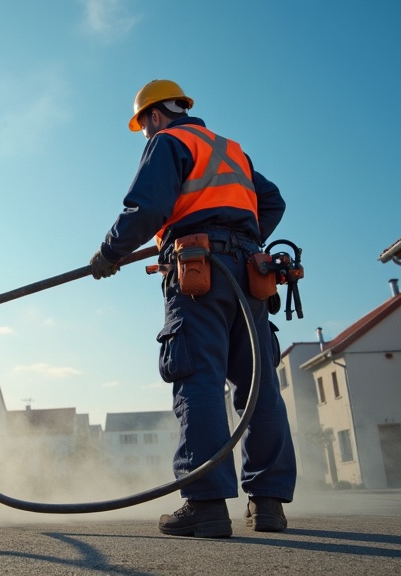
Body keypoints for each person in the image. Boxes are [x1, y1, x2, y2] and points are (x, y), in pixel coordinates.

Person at [89, 80, 296, 538]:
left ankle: (205, 505)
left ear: (154, 117)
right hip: (250, 274)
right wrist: (239, 238)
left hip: (200, 271)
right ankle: (268, 505)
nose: (146, 135)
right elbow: (273, 199)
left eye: (143, 127)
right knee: (256, 382)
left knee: (197, 377)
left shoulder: (168, 141)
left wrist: (109, 254)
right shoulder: (230, 148)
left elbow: (147, 207)